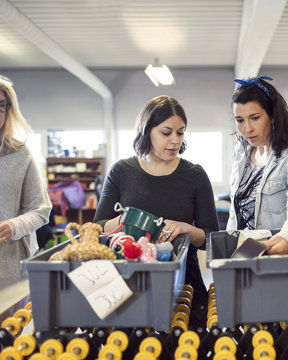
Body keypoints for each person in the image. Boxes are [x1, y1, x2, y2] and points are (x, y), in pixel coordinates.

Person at [94, 95, 219, 328]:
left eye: (180, 133)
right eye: (166, 132)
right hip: (126, 281)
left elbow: (211, 238)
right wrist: (124, 220)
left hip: (182, 284)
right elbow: (97, 228)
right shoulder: (121, 171)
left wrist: (187, 229)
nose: (175, 141)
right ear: (147, 131)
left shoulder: (195, 176)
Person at [0, 71, 52, 280]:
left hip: (9, 269)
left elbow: (40, 210)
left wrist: (14, 226)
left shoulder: (19, 153)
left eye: (2, 105)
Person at [226, 76, 288, 255]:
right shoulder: (241, 151)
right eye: (239, 120)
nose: (247, 128)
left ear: (273, 116)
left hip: (276, 254)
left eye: (255, 118)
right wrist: (229, 246)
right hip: (242, 253)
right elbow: (234, 208)